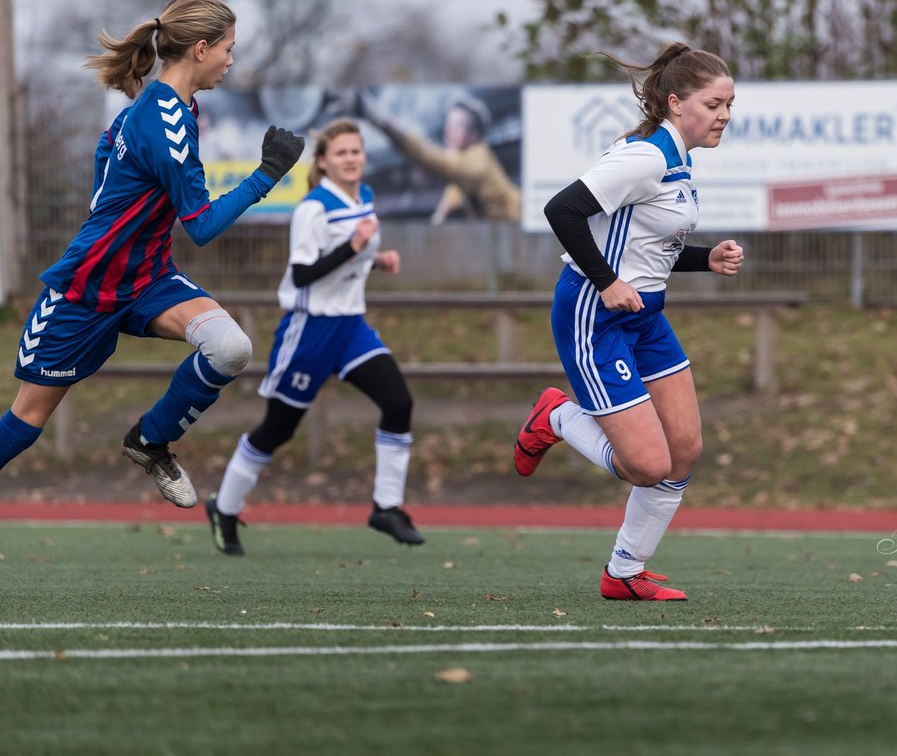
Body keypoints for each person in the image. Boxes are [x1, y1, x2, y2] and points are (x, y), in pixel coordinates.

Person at [0, 0, 305, 508]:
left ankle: (149, 440)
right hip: (87, 288)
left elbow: (104, 164)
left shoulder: (167, 107)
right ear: (201, 49)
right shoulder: (164, 124)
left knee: (230, 348)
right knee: (26, 421)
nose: (232, 60)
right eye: (229, 49)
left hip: (146, 279)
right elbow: (202, 225)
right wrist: (267, 174)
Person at [514, 43, 743, 601]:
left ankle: (623, 573)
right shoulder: (644, 156)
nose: (725, 116)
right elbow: (562, 211)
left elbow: (648, 247)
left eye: (730, 104)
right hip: (596, 314)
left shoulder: (679, 157)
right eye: (714, 103)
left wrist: (704, 258)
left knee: (683, 452)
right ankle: (556, 417)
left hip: (646, 316)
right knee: (647, 465)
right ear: (675, 101)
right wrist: (605, 281)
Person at [206, 118, 423, 555]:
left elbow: (350, 256)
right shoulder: (312, 209)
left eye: (356, 151)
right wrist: (356, 249)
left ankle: (386, 507)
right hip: (309, 330)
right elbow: (304, 273)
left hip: (350, 327)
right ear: (323, 162)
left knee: (399, 403)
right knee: (277, 430)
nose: (351, 159)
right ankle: (224, 508)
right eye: (341, 153)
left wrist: (376, 260)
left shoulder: (365, 197)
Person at [362, 92, 521, 224]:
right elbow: (443, 212)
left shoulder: (477, 161)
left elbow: (434, 159)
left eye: (457, 126)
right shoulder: (464, 170)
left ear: (474, 134)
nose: (447, 132)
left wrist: (381, 121)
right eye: (448, 125)